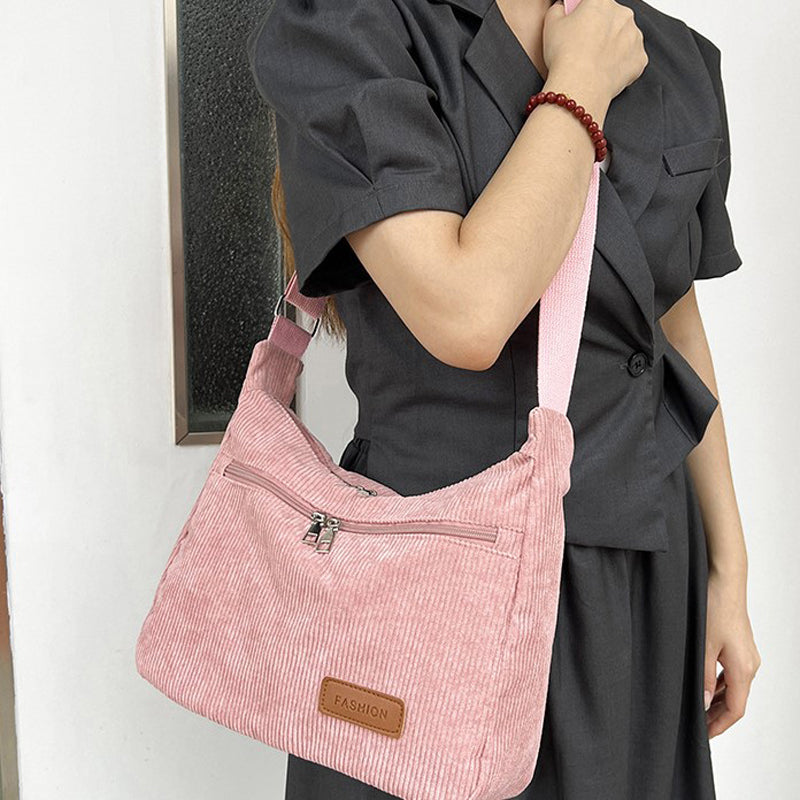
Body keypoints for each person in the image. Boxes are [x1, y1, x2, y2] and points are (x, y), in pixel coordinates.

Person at [246, 0, 760, 796]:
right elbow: (467, 315)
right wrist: (580, 80)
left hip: (644, 580)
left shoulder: (668, 52)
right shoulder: (352, 28)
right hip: (433, 574)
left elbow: (669, 321)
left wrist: (730, 568)